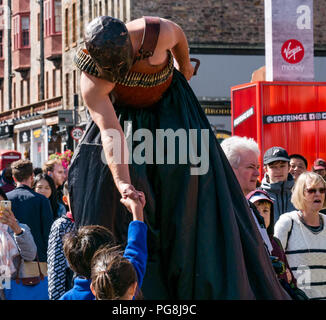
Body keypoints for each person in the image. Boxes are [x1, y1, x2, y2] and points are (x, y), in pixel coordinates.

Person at [68, 15, 289, 300]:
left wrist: (184, 69)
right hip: (126, 125)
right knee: (105, 193)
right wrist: (123, 183)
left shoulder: (154, 32)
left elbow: (180, 38)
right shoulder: (93, 81)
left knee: (195, 193)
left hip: (172, 107)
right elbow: (112, 133)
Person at [274, 171, 326, 300]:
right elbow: (275, 263)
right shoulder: (287, 222)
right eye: (311, 190)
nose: (318, 194)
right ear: (301, 194)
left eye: (322, 190)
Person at [246, 189, 305, 299]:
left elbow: (291, 281)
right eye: (256, 211)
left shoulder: (276, 243)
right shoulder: (243, 243)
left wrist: (289, 279)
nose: (261, 215)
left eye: (265, 210)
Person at [220, 136, 273, 254]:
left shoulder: (251, 208)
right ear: (229, 169)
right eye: (250, 167)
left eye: (258, 167)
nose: (257, 173)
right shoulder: (220, 208)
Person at [0, 183, 37, 299]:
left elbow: (30, 255)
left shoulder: (19, 227)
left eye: (0, 203)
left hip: (18, 288)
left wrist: (17, 230)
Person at [90, 194, 147, 300]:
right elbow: (136, 248)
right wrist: (136, 208)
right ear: (133, 288)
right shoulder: (132, 277)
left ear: (93, 289)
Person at [7, 160, 53, 263]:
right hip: (38, 259)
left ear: (14, 178)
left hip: (11, 259)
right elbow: (48, 233)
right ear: (32, 176)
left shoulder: (5, 199)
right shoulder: (42, 200)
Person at [47, 181, 76, 300]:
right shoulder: (62, 225)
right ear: (65, 199)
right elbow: (56, 267)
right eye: (73, 196)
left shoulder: (92, 219)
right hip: (69, 288)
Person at [260, 146, 296, 223]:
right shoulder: (258, 196)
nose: (278, 170)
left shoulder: (300, 193)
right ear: (266, 170)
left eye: (282, 166)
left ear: (289, 167)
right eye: (273, 167)